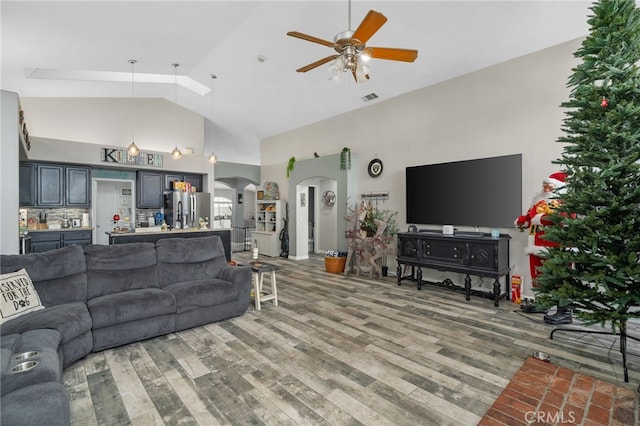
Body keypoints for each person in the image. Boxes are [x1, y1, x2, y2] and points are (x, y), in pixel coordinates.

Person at [515, 172, 572, 324]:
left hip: (557, 246)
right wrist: (523, 221)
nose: (546, 188)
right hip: (536, 243)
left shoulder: (567, 201)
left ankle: (564, 311)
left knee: (560, 278)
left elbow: (563, 218)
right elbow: (529, 216)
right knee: (538, 275)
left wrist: (539, 219)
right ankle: (543, 303)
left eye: (550, 186)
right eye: (545, 185)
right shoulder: (539, 201)